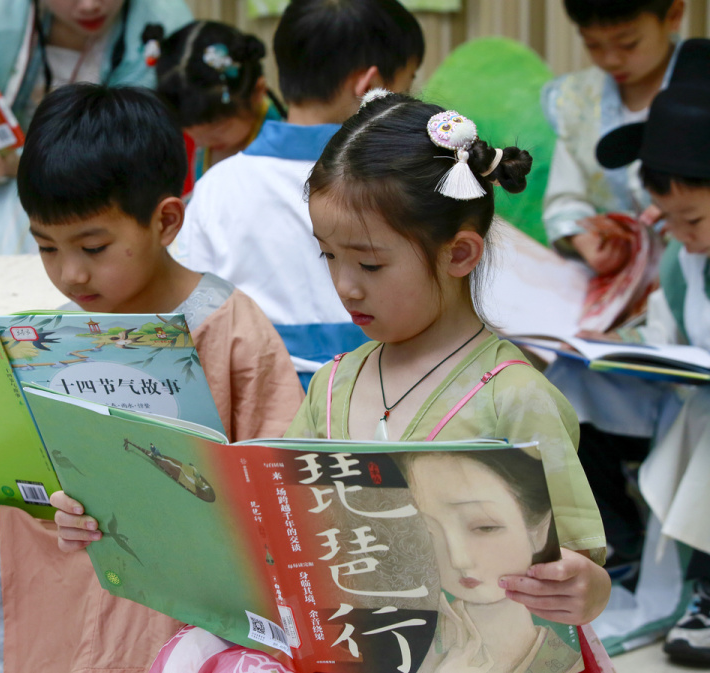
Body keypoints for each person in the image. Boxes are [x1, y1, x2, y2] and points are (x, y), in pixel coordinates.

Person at [147, 92, 612, 673]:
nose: (346, 286)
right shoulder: (333, 385)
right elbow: (280, 524)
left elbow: (577, 561)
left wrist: (584, 586)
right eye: (328, 256)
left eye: (369, 263)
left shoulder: (513, 396)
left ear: (459, 254)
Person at [0, 83, 305, 673]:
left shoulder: (231, 327)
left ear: (166, 221)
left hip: (173, 564)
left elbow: (284, 486)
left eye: (93, 247)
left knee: (140, 590)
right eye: (47, 247)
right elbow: (4, 473)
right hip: (60, 540)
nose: (70, 273)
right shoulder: (49, 335)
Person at [171, 0, 424, 388]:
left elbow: (186, 320)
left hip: (255, 407)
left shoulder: (217, 187)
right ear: (370, 85)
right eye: (408, 83)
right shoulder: (409, 179)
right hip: (393, 398)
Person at [0, 0, 192, 255]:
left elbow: (138, 147)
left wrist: (20, 165)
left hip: (99, 182)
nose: (89, 5)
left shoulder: (164, 21)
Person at [578, 57, 710, 666]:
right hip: (683, 400)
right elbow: (667, 335)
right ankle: (621, 546)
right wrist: (615, 345)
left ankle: (701, 585)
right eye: (670, 221)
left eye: (695, 219)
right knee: (570, 390)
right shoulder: (685, 262)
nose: (683, 235)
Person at [395, 449, 582, 673]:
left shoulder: (566, 661)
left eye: (485, 527)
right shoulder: (407, 642)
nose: (458, 560)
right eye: (427, 533)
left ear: (539, 530)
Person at [541, 0, 684, 276]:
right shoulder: (576, 100)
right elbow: (566, 196)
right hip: (613, 276)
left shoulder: (700, 92)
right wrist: (582, 238)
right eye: (593, 45)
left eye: (628, 44)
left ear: (673, 15)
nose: (611, 60)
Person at [142, 20, 285, 188]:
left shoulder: (284, 146)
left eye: (219, 130)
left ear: (257, 91)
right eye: (192, 134)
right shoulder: (200, 137)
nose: (203, 142)